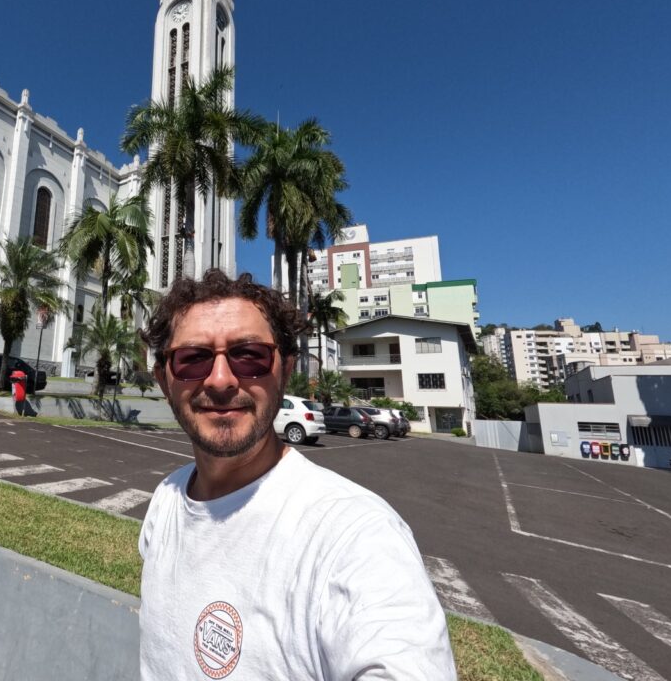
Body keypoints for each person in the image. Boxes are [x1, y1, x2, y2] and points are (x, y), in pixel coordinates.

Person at [138, 269, 456, 680]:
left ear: (285, 370)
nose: (220, 380)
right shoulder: (166, 500)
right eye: (193, 359)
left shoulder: (355, 533)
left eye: (249, 355)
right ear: (164, 379)